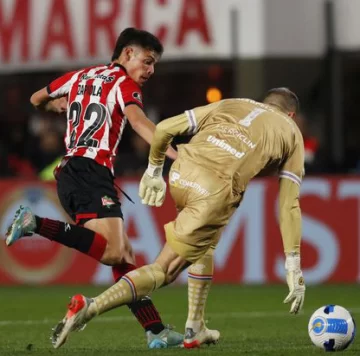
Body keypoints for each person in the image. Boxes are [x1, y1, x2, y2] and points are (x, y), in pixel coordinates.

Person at [49, 88, 306, 349]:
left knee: (207, 242)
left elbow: (164, 129)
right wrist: (293, 262)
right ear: (291, 114)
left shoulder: (233, 103)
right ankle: (89, 307)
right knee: (164, 270)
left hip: (182, 172)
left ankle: (196, 326)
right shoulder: (291, 132)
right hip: (214, 190)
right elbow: (288, 205)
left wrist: (154, 168)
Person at [5, 28, 183, 349]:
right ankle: (35, 223)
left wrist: (58, 107)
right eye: (147, 61)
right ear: (127, 54)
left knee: (123, 256)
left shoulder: (79, 76)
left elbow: (35, 99)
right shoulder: (123, 84)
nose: (150, 71)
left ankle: (155, 330)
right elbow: (141, 123)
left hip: (71, 172)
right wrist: (176, 155)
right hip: (91, 172)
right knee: (115, 252)